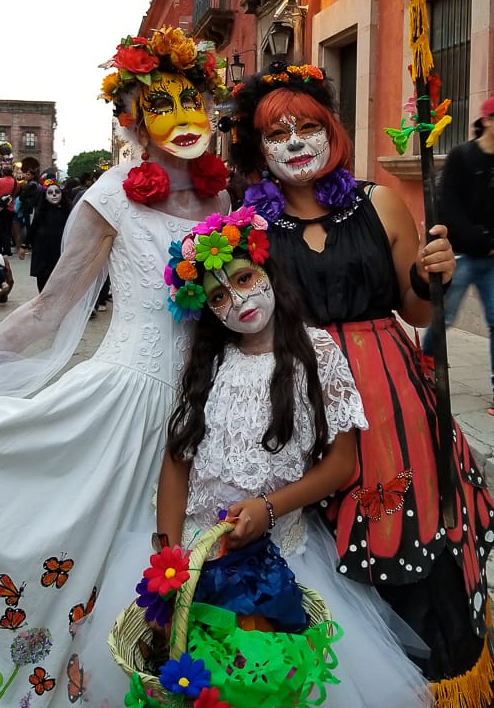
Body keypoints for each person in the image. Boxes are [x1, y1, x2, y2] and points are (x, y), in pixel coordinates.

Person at [83, 208, 431, 707]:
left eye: (244, 277)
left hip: (278, 561)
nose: (238, 299)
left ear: (268, 272)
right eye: (219, 295)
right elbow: (177, 460)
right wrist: (168, 551)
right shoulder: (208, 363)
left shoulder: (318, 354)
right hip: (194, 556)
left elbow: (341, 464)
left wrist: (268, 508)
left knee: (265, 680)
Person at [229, 61, 494, 708]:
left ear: (333, 132)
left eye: (308, 126)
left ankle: (435, 679)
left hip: (390, 397)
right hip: (294, 394)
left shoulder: (378, 202)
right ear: (257, 147)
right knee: (311, 535)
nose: (294, 142)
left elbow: (421, 313)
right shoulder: (245, 224)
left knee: (403, 521)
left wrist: (434, 274)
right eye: (277, 132)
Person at [0, 26, 229, 706]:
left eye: (195, 101)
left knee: (174, 576)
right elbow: (50, 308)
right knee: (86, 556)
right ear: (133, 117)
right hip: (123, 403)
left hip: (205, 412)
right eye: (161, 102)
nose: (183, 118)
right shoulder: (113, 193)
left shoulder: (226, 199)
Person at [422, 96, 494, 414]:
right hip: (461, 256)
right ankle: (424, 366)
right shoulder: (462, 156)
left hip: (491, 258)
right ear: (488, 120)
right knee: (443, 317)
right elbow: (448, 206)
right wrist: (477, 238)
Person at [18, 179, 70, 291]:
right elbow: (32, 229)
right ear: (45, 196)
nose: (54, 195)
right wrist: (24, 245)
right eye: (50, 193)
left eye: (57, 192)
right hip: (42, 252)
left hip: (60, 251)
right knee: (43, 280)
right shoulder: (41, 212)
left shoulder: (68, 212)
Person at [0, 163, 18, 256]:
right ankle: (8, 249)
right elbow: (15, 194)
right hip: (11, 208)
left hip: (0, 208)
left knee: (0, 228)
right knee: (8, 229)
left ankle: (0, 249)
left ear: (3, 172)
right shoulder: (16, 182)